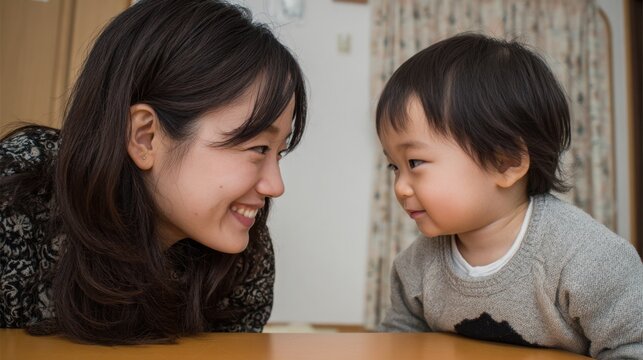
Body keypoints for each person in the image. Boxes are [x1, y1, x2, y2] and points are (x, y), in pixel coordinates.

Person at [0, 0, 307, 345]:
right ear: (145, 137)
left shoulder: (241, 253)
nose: (275, 186)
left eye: (279, 152)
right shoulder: (16, 197)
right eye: (258, 148)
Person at [376, 33, 643, 359]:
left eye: (415, 162)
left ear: (506, 162)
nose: (400, 187)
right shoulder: (415, 268)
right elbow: (399, 343)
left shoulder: (588, 260)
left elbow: (632, 347)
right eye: (395, 167)